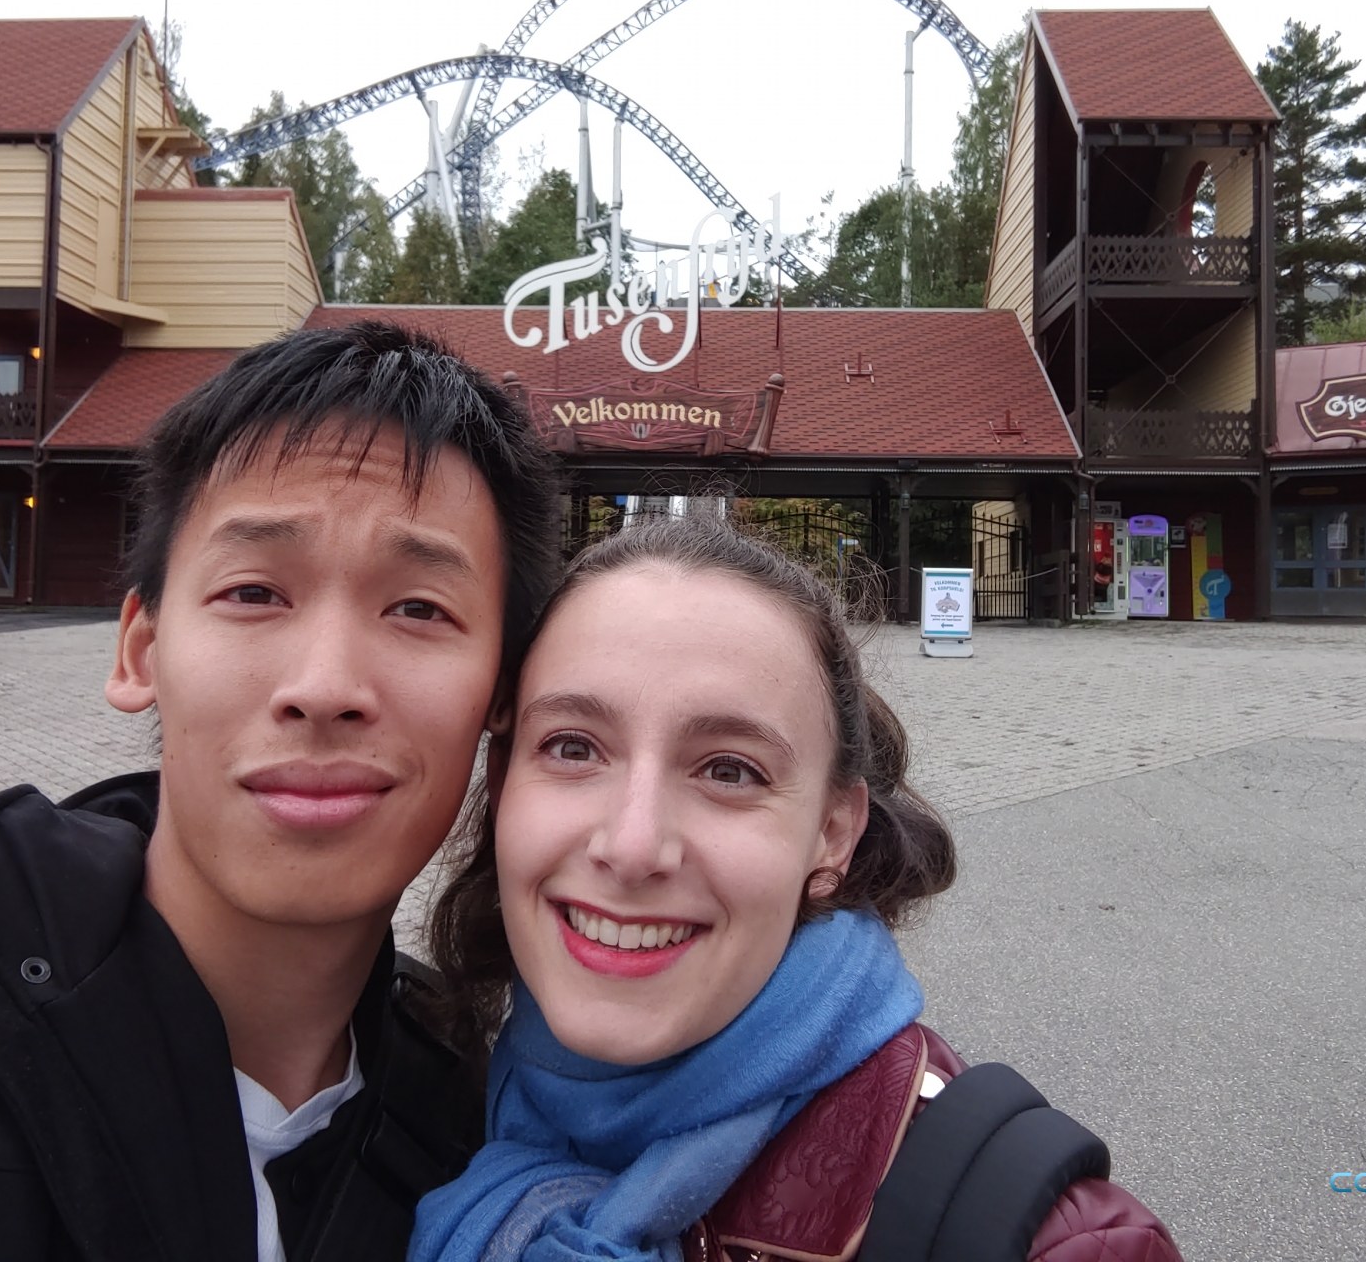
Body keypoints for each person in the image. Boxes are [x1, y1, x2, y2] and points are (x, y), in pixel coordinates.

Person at [0, 320, 562, 1262]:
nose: (325, 687)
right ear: (141, 651)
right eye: (254, 593)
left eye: (418, 607)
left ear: (499, 694)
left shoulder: (469, 1129)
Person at [414, 519, 1184, 1262]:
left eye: (729, 770)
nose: (633, 845)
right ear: (502, 782)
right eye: (573, 747)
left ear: (833, 832)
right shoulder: (419, 1097)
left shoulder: (1062, 1243)